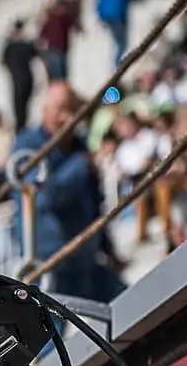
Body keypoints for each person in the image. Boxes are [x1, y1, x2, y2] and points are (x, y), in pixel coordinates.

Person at [12, 82, 122, 302]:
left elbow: (95, 203)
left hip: (86, 261)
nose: (68, 118)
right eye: (61, 110)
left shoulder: (80, 147)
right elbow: (45, 197)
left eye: (73, 110)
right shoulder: (28, 146)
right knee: (50, 333)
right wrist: (80, 166)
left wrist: (108, 249)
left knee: (129, 306)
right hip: (51, 265)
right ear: (44, 112)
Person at [1, 20, 39, 132]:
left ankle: (21, 130)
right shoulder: (21, 45)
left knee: (20, 108)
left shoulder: (12, 46)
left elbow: (3, 62)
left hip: (20, 81)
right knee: (21, 109)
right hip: (25, 79)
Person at [38, 0, 78, 81]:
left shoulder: (59, 17)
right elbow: (42, 34)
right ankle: (59, 91)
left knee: (60, 74)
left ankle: (60, 91)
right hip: (54, 49)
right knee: (58, 75)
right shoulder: (53, 17)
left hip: (59, 48)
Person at [95, 0, 130, 70]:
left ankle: (115, 64)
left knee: (117, 42)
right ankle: (116, 65)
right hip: (117, 16)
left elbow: (99, 2)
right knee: (122, 43)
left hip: (107, 16)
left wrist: (100, 16)